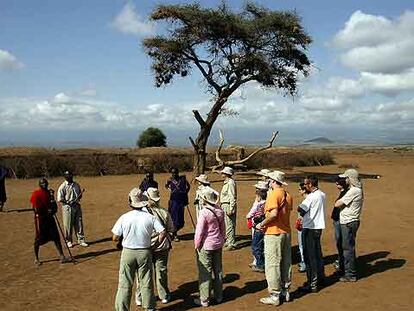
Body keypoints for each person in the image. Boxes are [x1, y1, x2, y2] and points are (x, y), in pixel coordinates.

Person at [112, 188, 166, 311]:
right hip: (145, 251)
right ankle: (150, 307)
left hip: (128, 252)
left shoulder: (124, 217)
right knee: (146, 281)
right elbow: (162, 232)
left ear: (130, 202)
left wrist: (123, 237)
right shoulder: (150, 217)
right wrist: (155, 245)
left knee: (125, 282)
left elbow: (115, 237)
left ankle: (122, 308)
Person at [256, 171, 293, 306]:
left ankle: (274, 295)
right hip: (286, 232)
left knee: (272, 264)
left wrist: (261, 224)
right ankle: (285, 291)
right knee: (285, 262)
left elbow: (273, 214)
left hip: (273, 233)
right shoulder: (288, 195)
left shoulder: (273, 194)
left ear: (273, 181)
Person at [135, 187, 174, 307]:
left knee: (143, 273)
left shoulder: (141, 213)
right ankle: (164, 295)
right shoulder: (164, 212)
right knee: (161, 271)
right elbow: (171, 230)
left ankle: (140, 296)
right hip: (162, 247)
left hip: (145, 247)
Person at [194, 186, 225, 307]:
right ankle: (219, 296)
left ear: (205, 200)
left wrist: (197, 245)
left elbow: (199, 231)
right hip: (218, 244)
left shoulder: (204, 212)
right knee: (218, 271)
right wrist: (222, 239)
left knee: (205, 272)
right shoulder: (220, 210)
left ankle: (204, 299)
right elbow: (223, 228)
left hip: (206, 246)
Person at [30, 178, 69, 265]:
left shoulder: (49, 193)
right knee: (39, 239)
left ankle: (62, 256)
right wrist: (45, 211)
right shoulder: (36, 194)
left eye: (45, 183)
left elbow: (54, 205)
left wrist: (53, 210)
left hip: (50, 218)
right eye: (42, 183)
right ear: (40, 185)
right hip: (41, 219)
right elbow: (35, 209)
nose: (44, 185)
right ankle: (36, 258)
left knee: (56, 236)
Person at [298, 175, 326, 293]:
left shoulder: (311, 197)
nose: (304, 186)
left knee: (310, 257)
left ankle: (312, 283)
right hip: (318, 228)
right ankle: (320, 278)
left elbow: (301, 209)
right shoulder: (322, 194)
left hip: (309, 228)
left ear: (310, 184)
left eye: (305, 184)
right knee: (317, 254)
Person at [334, 169, 364, 282]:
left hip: (348, 222)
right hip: (348, 221)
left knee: (348, 249)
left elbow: (337, 204)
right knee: (346, 247)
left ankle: (350, 274)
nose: (344, 180)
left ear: (350, 179)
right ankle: (347, 270)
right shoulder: (354, 190)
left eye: (345, 178)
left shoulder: (354, 191)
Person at [57, 171, 88, 248]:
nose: (70, 177)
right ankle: (68, 241)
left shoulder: (76, 185)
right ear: (65, 177)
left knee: (79, 223)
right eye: (68, 176)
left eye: (71, 175)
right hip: (67, 207)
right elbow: (60, 198)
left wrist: (79, 196)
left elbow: (79, 195)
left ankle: (81, 240)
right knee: (68, 225)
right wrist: (67, 201)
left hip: (77, 206)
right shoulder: (62, 186)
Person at [246, 180, 268, 272]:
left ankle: (260, 264)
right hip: (263, 227)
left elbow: (252, 212)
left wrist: (248, 216)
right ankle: (260, 262)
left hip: (258, 227)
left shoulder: (259, 204)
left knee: (256, 246)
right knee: (262, 245)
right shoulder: (267, 202)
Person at [165, 168, 190, 241]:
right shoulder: (170, 180)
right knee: (173, 219)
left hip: (181, 202)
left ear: (178, 173)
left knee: (180, 221)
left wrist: (185, 193)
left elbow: (188, 187)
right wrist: (170, 188)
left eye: (175, 173)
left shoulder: (183, 180)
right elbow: (166, 186)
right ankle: (174, 234)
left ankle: (173, 232)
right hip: (173, 202)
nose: (174, 174)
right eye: (172, 173)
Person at [331, 176, 349, 274]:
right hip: (337, 220)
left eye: (337, 183)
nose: (336, 185)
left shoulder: (346, 193)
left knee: (340, 242)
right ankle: (341, 262)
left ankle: (342, 264)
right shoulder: (343, 192)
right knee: (340, 243)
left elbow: (338, 205)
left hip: (340, 220)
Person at [220, 166, 237, 251]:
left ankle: (232, 243)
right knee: (226, 224)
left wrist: (231, 208)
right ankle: (229, 240)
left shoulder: (230, 182)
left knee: (230, 224)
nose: (221, 174)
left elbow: (232, 196)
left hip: (228, 205)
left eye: (223, 173)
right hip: (224, 204)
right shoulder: (226, 182)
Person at [297, 182, 309, 273]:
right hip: (310, 226)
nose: (299, 191)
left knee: (302, 245)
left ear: (304, 190)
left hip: (304, 225)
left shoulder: (306, 201)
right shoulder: (313, 198)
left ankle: (304, 263)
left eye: (300, 189)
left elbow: (301, 214)